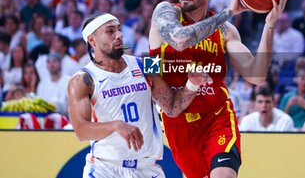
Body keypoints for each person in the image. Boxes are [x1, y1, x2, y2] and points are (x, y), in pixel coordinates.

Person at [149, 0, 288, 178]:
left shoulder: (225, 31)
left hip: (217, 117)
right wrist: (228, 11)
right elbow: (179, 39)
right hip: (178, 121)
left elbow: (257, 75)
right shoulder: (166, 12)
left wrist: (269, 26)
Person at [68, 13, 211, 178]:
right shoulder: (82, 79)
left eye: (119, 29)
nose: (119, 35)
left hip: (148, 169)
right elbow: (81, 131)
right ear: (92, 40)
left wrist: (192, 84)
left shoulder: (146, 63)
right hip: (105, 169)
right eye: (110, 31)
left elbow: (171, 108)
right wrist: (115, 126)